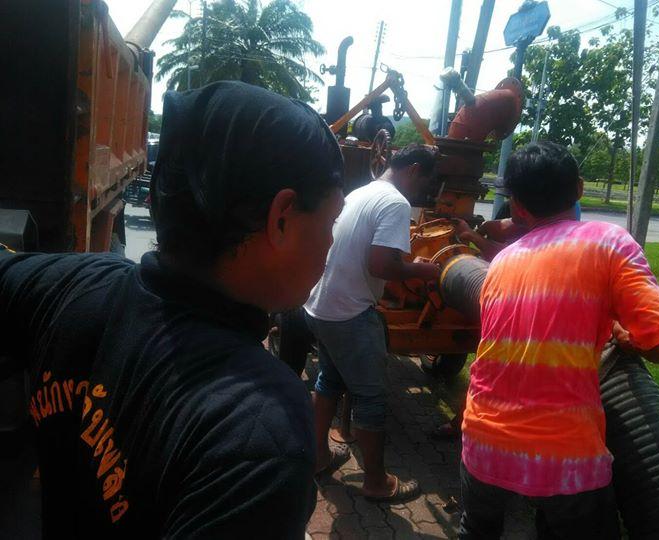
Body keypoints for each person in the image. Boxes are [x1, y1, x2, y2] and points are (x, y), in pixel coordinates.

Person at [0, 82, 345, 538]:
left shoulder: (74, 285)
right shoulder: (260, 430)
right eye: (331, 221)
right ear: (281, 218)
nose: (331, 243)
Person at [459, 141, 659, 539]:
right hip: (564, 456)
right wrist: (628, 339)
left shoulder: (502, 261)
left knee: (476, 531)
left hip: (483, 439)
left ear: (517, 206)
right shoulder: (609, 243)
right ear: (579, 188)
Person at [304, 144, 441, 502]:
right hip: (349, 313)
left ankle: (318, 457)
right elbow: (381, 265)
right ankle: (377, 483)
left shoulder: (360, 192)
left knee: (329, 381)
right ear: (414, 170)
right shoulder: (395, 202)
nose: (422, 192)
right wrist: (423, 271)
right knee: (371, 398)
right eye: (424, 182)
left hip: (321, 306)